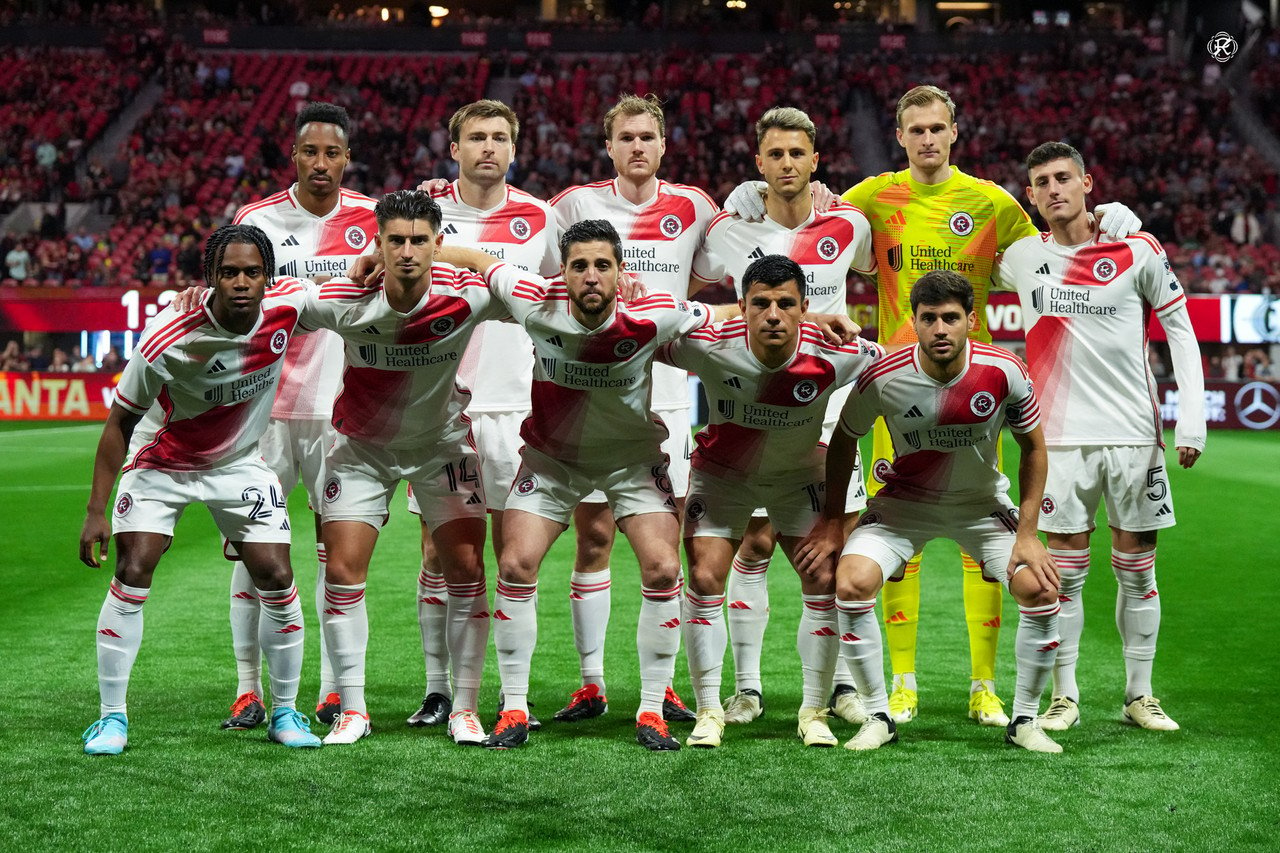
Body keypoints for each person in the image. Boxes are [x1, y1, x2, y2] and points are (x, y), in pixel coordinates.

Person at [729, 84, 1139, 726]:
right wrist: (746, 196)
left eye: (937, 128)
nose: (926, 139)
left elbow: (1055, 248)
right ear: (900, 136)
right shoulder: (871, 196)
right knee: (898, 545)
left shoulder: (992, 203)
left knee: (986, 549)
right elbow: (809, 210)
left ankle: (983, 684)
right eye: (915, 129)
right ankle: (902, 682)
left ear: (954, 132)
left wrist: (1109, 218)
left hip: (975, 396)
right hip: (895, 393)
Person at [436, 219, 742, 751]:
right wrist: (417, 251)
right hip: (553, 464)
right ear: (564, 272)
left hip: (631, 462)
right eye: (579, 266)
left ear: (621, 272)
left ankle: (651, 710)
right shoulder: (534, 298)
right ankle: (512, 708)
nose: (591, 276)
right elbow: (483, 263)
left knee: (665, 566)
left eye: (603, 265)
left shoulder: (653, 313)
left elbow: (726, 311)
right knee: (514, 564)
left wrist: (814, 317)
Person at [796, 270, 1063, 753]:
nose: (941, 329)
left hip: (980, 507)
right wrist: (834, 522)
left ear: (971, 321)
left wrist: (1027, 534)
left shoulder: (1003, 370)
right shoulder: (884, 376)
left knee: (1040, 588)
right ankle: (878, 716)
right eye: (929, 318)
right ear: (913, 322)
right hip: (904, 506)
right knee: (851, 582)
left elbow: (1035, 449)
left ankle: (1025, 720)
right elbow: (842, 443)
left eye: (951, 318)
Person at [78, 225, 321, 754]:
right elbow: (119, 423)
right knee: (133, 567)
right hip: (163, 462)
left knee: (277, 576)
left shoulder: (289, 306)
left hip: (238, 463)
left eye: (251, 272)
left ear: (267, 277)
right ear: (210, 278)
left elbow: (356, 286)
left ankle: (285, 712)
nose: (240, 282)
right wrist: (96, 511)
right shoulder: (169, 334)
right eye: (229, 272)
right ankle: (111, 718)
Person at [994, 141, 1205, 732]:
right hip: (1054, 440)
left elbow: (1180, 331)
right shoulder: (1020, 256)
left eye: (1064, 178)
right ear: (1031, 197)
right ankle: (1066, 696)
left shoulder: (1136, 247)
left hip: (1135, 434)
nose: (1054, 189)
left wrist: (1192, 421)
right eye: (1041, 182)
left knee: (1138, 567)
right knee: (1064, 572)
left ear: (1089, 184)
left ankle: (1140, 695)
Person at [303, 190, 506, 747]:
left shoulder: (465, 296)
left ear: (439, 244)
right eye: (396, 240)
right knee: (343, 574)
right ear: (379, 243)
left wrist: (468, 259)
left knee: (466, 572)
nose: (408, 251)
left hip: (442, 447)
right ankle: (354, 708)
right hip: (361, 450)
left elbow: (526, 287)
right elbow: (267, 304)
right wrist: (193, 298)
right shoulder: (344, 298)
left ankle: (465, 708)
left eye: (420, 240)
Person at [544, 94, 721, 723]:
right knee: (591, 537)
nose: (638, 146)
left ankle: (662, 685)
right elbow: (541, 275)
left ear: (663, 144)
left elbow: (721, 263)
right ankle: (590, 681)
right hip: (591, 395)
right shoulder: (573, 207)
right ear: (609, 145)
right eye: (626, 137)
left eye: (648, 136)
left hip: (668, 396)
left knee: (663, 541)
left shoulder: (695, 207)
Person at [659, 254, 883, 748]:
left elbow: (899, 370)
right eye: (761, 303)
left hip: (798, 477)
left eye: (786, 303)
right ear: (741, 307)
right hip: (722, 479)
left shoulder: (837, 352)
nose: (774, 315)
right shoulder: (709, 344)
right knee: (702, 577)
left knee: (823, 578)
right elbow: (642, 339)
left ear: (805, 307)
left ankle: (813, 711)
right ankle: (709, 711)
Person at [703, 105, 877, 727]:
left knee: (832, 552)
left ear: (815, 160)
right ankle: (747, 687)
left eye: (796, 153)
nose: (786, 164)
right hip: (756, 412)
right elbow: (682, 279)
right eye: (774, 155)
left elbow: (894, 262)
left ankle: (835, 689)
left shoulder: (848, 223)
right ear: (758, 163)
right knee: (753, 546)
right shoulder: (729, 229)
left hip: (830, 414)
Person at [403, 100, 560, 730]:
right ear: (455, 149)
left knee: (513, 554)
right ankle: (439, 689)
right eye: (476, 138)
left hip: (520, 406)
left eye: (499, 138)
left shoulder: (541, 218)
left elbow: (559, 302)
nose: (488, 148)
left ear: (515, 149)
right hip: (445, 408)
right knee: (440, 555)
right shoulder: (426, 216)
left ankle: (509, 694)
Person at [221, 101, 378, 731]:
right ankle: (247, 688)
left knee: (332, 552)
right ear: (295, 155)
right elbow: (229, 297)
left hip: (341, 413)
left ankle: (334, 689)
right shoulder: (257, 219)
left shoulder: (373, 218)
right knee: (250, 552)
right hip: (262, 414)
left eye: (332, 153)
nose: (321, 163)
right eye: (310, 151)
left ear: (347, 158)